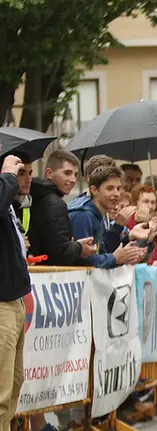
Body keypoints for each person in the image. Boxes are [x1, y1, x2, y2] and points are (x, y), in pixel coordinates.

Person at [0, 153, 31, 431]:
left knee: (14, 384)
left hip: (14, 299)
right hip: (1, 306)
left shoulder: (11, 199)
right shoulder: (3, 186)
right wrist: (8, 176)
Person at [68, 165, 147, 268]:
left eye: (118, 188)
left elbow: (102, 251)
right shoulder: (83, 216)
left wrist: (127, 244)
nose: (116, 194)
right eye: (110, 188)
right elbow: (85, 260)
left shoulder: (97, 213)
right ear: (94, 190)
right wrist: (116, 258)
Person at [28, 150, 98, 265]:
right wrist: (79, 247)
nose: (73, 180)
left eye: (75, 175)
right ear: (49, 173)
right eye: (67, 173)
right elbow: (60, 253)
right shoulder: (55, 204)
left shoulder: (33, 196)